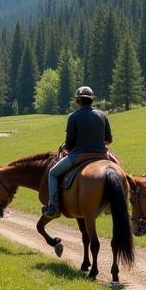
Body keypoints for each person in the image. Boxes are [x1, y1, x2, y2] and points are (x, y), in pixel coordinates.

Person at [42, 86, 113, 217]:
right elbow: (108, 140)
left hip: (80, 155)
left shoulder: (73, 116)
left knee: (52, 173)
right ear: (92, 100)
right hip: (102, 155)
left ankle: (54, 206)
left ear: (77, 101)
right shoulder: (103, 115)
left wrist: (67, 147)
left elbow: (69, 144)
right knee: (119, 169)